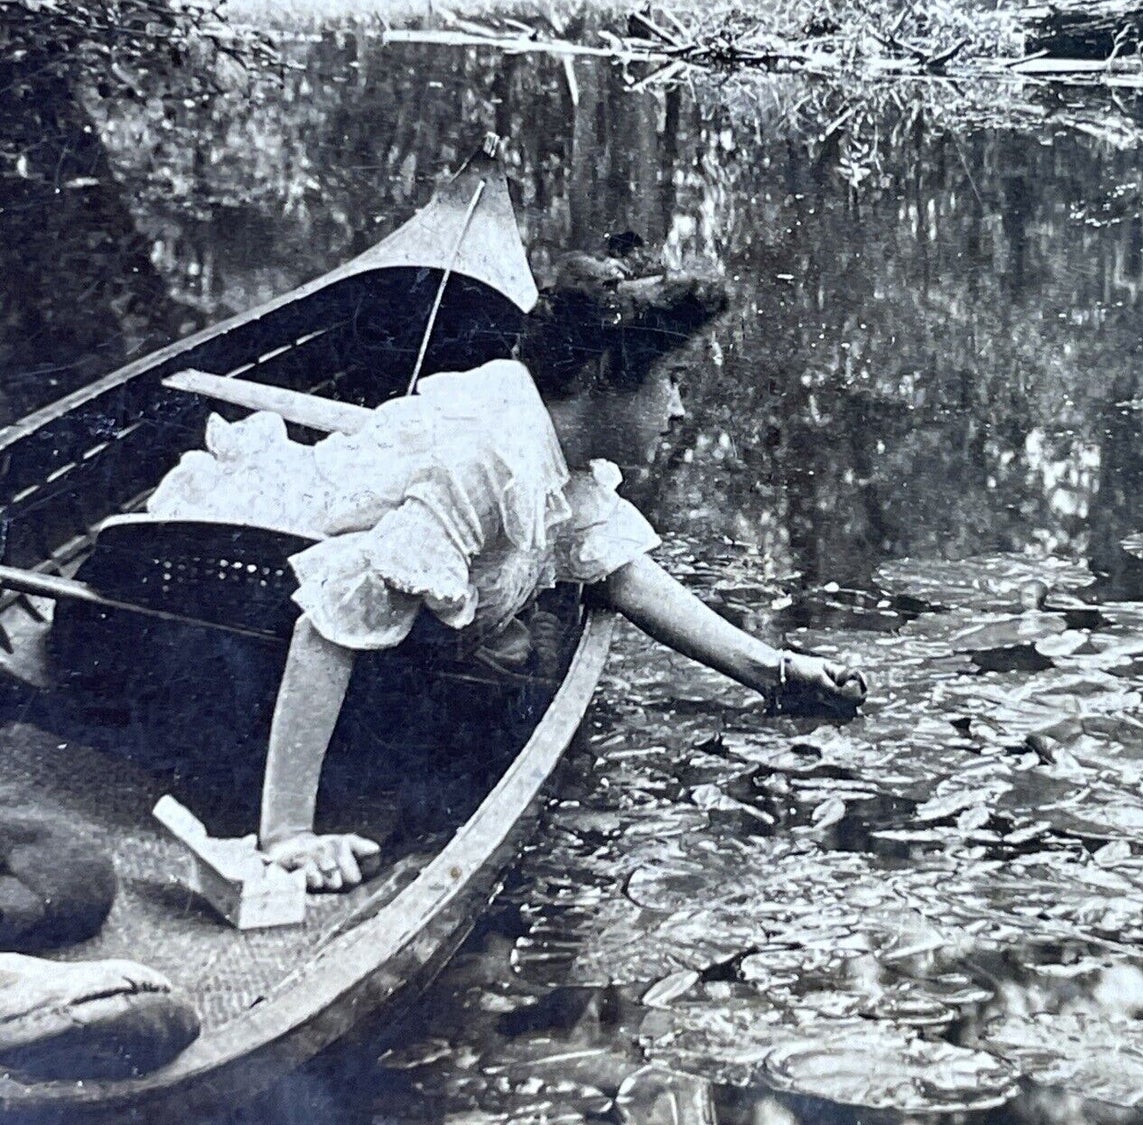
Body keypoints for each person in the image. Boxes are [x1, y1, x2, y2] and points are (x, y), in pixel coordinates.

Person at [149, 255, 866, 893]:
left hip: (317, 606)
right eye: (670, 381)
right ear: (596, 379)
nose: (678, 410)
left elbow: (618, 570)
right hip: (226, 619)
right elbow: (327, 625)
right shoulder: (490, 457)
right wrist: (287, 835)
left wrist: (770, 669)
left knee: (515, 644)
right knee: (500, 649)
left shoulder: (550, 442)